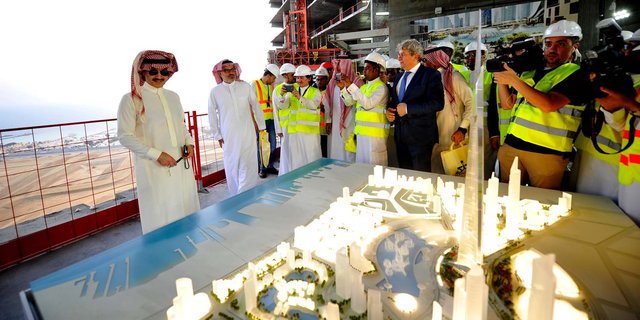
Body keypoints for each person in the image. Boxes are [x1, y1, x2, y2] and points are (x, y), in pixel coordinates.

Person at [493, 20, 591, 190]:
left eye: (560, 44)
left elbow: (548, 104)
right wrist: (502, 78)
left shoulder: (578, 74)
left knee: (543, 205)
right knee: (503, 198)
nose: (552, 49)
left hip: (547, 154)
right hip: (512, 145)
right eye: (548, 44)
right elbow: (508, 104)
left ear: (574, 46)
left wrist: (514, 81)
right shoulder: (531, 71)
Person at [117, 50, 200, 234]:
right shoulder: (131, 100)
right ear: (143, 72)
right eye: (153, 71)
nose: (159, 76)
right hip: (153, 168)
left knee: (185, 210)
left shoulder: (173, 97)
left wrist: (189, 142)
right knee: (160, 216)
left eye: (164, 72)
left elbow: (181, 125)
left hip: (181, 165)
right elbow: (124, 136)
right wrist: (157, 154)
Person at [386, 39, 445, 172]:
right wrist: (390, 111)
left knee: (421, 177)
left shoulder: (430, 75)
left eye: (403, 54)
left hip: (421, 138)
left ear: (416, 56)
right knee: (405, 174)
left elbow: (438, 103)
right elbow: (395, 102)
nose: (399, 57)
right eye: (399, 54)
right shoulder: (399, 77)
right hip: (401, 137)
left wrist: (408, 109)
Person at [209, 59, 266, 195]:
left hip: (248, 133)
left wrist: (261, 126)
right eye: (226, 70)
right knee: (232, 165)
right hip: (229, 135)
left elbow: (256, 106)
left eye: (232, 69)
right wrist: (217, 134)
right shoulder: (215, 92)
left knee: (249, 164)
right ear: (220, 73)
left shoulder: (245, 87)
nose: (231, 73)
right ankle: (236, 196)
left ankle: (246, 195)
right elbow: (212, 114)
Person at [423, 46, 473, 175]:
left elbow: (471, 103)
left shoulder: (454, 77)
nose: (424, 63)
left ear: (435, 60)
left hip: (454, 137)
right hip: (436, 139)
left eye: (427, 60)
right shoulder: (432, 78)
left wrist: (462, 128)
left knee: (455, 179)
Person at [338, 52, 390, 165]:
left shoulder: (381, 88)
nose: (364, 71)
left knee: (375, 168)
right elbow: (349, 102)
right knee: (362, 166)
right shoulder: (364, 87)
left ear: (376, 70)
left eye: (367, 68)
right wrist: (343, 89)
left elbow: (367, 104)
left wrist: (351, 85)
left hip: (375, 137)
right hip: (362, 135)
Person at [465, 41, 503, 178]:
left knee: (486, 163)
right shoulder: (465, 75)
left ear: (484, 56)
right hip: (470, 126)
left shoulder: (491, 75)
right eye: (467, 56)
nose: (469, 59)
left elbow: (495, 105)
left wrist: (495, 133)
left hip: (487, 127)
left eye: (473, 56)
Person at [327, 59, 362, 162]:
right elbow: (327, 103)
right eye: (336, 69)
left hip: (350, 120)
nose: (338, 71)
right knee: (336, 146)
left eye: (340, 68)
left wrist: (343, 88)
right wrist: (328, 120)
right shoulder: (332, 83)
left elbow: (351, 102)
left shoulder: (357, 83)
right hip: (335, 121)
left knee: (348, 147)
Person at [290, 65, 322, 169]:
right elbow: (283, 106)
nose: (299, 80)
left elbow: (314, 105)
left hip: (310, 132)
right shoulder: (292, 92)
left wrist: (299, 97)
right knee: (298, 160)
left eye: (301, 77)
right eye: (297, 78)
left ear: (308, 78)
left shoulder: (315, 92)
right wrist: (281, 96)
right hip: (296, 131)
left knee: (311, 159)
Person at [251, 64, 280, 177]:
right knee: (262, 146)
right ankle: (262, 169)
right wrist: (254, 122)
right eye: (273, 78)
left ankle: (270, 166)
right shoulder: (254, 85)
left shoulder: (270, 86)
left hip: (271, 120)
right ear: (268, 75)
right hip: (260, 122)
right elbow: (250, 105)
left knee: (272, 145)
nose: (274, 80)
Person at [272, 63, 298, 175]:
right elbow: (276, 110)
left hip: (298, 125)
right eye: (293, 75)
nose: (295, 77)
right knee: (286, 152)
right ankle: (287, 174)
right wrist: (278, 129)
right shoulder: (277, 90)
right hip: (285, 127)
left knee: (297, 150)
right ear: (286, 75)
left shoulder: (298, 87)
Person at [314, 66, 331, 157]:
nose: (319, 81)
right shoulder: (313, 92)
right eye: (317, 79)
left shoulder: (329, 93)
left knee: (325, 151)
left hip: (325, 129)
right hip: (315, 129)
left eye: (321, 79)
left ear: (327, 79)